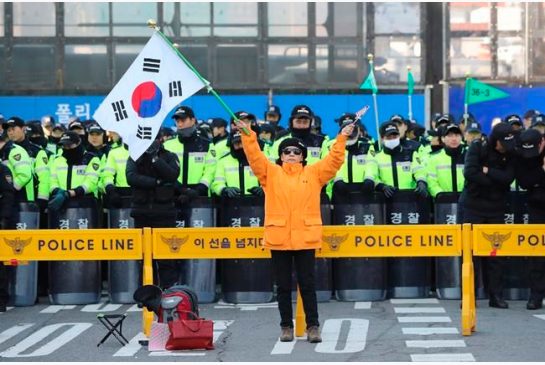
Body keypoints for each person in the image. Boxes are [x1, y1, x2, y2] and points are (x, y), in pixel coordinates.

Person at [240, 117, 354, 343]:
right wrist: (248, 135)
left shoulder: (314, 173)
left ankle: (313, 327)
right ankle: (286, 327)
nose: (291, 154)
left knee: (308, 284)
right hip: (279, 237)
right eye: (286, 151)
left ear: (303, 156)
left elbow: (334, 160)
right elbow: (254, 156)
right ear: (280, 156)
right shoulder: (270, 174)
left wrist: (342, 138)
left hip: (306, 237)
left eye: (296, 151)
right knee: (282, 286)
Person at [460, 122, 516, 308]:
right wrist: (495, 179)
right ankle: (469, 296)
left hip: (496, 207)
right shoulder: (478, 147)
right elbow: (469, 172)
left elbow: (508, 177)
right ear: (495, 141)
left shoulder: (510, 152)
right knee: (470, 254)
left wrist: (487, 171)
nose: (505, 149)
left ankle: (496, 296)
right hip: (473, 205)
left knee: (495, 254)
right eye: (502, 145)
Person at [126, 140, 180, 288]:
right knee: (144, 258)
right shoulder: (135, 155)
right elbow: (131, 177)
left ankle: (169, 292)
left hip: (164, 213)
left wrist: (155, 159)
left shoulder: (169, 156)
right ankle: (147, 294)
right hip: (142, 213)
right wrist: (156, 182)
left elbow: (172, 175)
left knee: (166, 257)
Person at [515, 129, 545, 309]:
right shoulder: (523, 155)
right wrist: (542, 170)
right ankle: (536, 295)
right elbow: (525, 182)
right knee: (537, 255)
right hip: (537, 208)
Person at [163, 106, 216, 205]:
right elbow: (164, 172)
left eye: (183, 120)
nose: (180, 123)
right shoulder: (167, 145)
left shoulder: (207, 144)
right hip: (173, 196)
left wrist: (199, 190)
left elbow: (210, 171)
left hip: (200, 196)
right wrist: (181, 190)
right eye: (177, 120)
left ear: (193, 120)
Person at [211, 131, 263, 198]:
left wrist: (263, 189)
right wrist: (224, 190)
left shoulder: (259, 159)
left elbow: (269, 180)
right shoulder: (223, 161)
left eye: (243, 142)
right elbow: (216, 184)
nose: (240, 146)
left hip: (256, 204)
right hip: (231, 203)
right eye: (237, 143)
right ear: (232, 145)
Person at [426, 124, 466, 198]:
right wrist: (440, 195)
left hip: (466, 201)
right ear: (443, 139)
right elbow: (431, 182)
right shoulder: (434, 158)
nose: (454, 139)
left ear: (461, 138)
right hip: (443, 202)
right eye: (450, 135)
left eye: (457, 135)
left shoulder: (468, 156)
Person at [0, 163, 17, 312]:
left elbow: (8, 194)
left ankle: (1, 299)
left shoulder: (2, 169)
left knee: (1, 263)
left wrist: (4, 218)